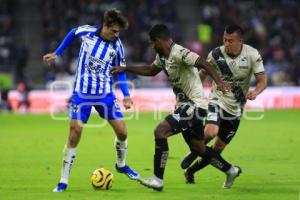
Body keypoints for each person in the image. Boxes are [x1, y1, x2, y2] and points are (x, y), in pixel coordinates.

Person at [110, 24, 241, 191]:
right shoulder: (163, 56)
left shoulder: (179, 52)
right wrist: (126, 68)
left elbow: (203, 63)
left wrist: (219, 82)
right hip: (185, 106)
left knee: (160, 131)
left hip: (194, 105)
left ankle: (157, 179)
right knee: (198, 148)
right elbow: (151, 70)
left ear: (159, 40)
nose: (152, 46)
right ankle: (230, 170)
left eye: (152, 43)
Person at [43, 8, 139, 192]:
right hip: (82, 94)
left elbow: (121, 73)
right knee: (75, 132)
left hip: (105, 95)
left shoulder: (117, 46)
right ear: (106, 26)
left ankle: (121, 164)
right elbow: (72, 33)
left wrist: (126, 95)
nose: (117, 35)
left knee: (123, 132)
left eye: (119, 32)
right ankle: (63, 180)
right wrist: (58, 52)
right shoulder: (87, 32)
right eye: (114, 31)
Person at [181, 24, 267, 188]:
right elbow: (202, 74)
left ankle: (191, 171)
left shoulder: (252, 54)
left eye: (230, 41)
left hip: (236, 108)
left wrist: (256, 92)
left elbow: (263, 80)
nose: (226, 44)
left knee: (218, 150)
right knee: (210, 131)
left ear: (240, 41)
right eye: (224, 40)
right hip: (217, 100)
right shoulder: (216, 54)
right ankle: (195, 150)